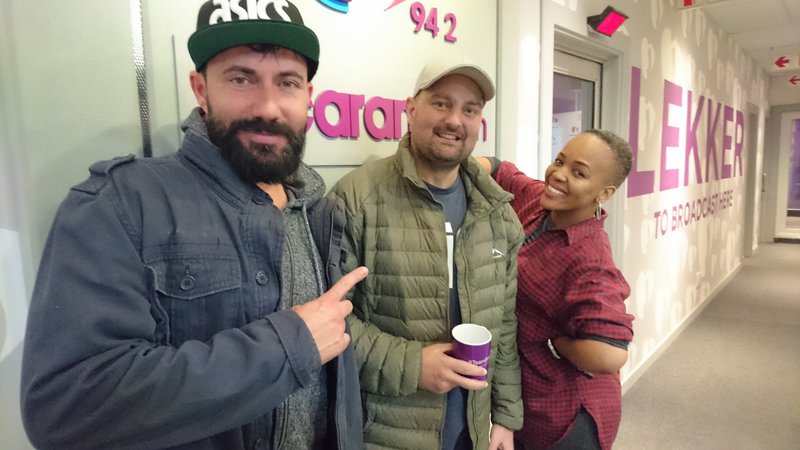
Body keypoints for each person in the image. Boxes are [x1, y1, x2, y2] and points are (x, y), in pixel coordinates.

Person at [20, 1, 368, 449]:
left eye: (287, 83)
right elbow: (66, 408)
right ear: (201, 89)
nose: (268, 106)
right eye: (241, 79)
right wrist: (289, 346)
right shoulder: (121, 204)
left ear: (309, 96)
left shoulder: (319, 209)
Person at [328, 55, 524, 450]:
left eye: (469, 109)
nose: (455, 120)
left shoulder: (497, 212)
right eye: (441, 103)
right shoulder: (355, 199)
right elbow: (330, 321)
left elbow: (504, 325)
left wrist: (504, 416)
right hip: (384, 433)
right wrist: (414, 365)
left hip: (471, 431)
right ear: (411, 109)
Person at [477, 130, 635, 450]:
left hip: (565, 419)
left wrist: (554, 340)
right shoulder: (540, 203)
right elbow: (498, 169)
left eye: (579, 173)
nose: (559, 174)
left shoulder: (590, 259)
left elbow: (610, 354)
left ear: (605, 193)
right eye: (559, 161)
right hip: (525, 401)